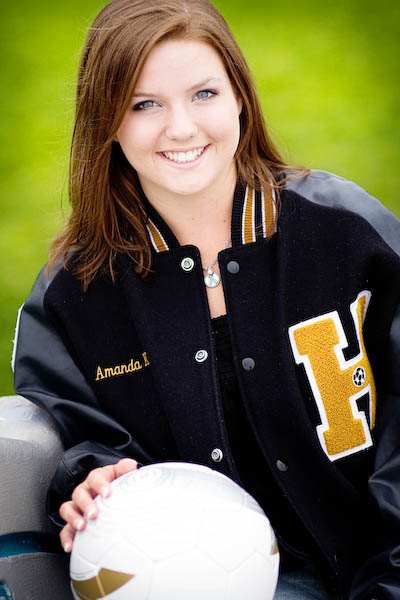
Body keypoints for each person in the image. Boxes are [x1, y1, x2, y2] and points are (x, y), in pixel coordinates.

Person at [13, 0, 400, 598]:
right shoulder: (74, 290)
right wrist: (85, 480)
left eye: (204, 94)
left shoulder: (344, 227)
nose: (182, 128)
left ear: (240, 96)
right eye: (145, 104)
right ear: (107, 123)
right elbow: (72, 436)